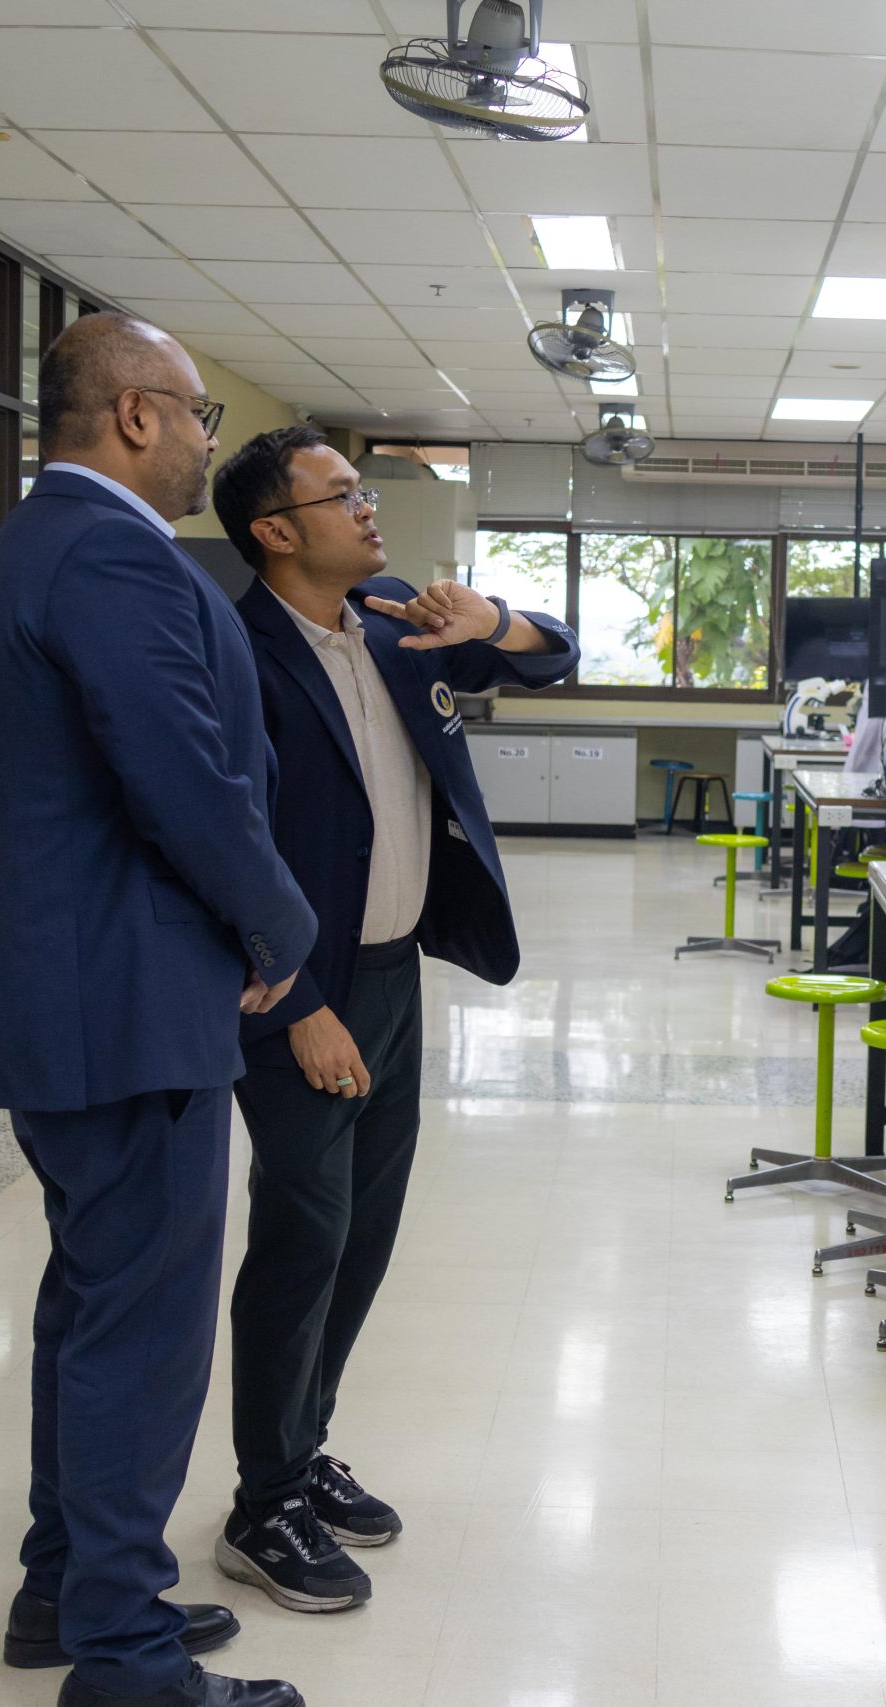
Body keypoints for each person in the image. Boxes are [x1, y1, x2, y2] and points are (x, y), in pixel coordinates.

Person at [0, 314, 317, 1707]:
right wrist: (281, 925)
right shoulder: (110, 553)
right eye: (200, 414)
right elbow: (183, 774)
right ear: (135, 415)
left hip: (81, 992)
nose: (206, 442)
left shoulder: (38, 544)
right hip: (130, 997)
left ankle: (67, 1587)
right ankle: (125, 1655)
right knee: (144, 1330)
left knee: (91, 1305)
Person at [209, 427, 576, 1613]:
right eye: (343, 496)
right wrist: (300, 1001)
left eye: (363, 491)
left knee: (365, 1231)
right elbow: (223, 843)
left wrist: (494, 623)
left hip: (391, 976)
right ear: (275, 530)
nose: (369, 510)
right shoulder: (238, 653)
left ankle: (302, 1446)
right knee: (305, 1234)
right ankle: (263, 1502)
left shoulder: (392, 623)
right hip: (298, 997)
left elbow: (553, 657)